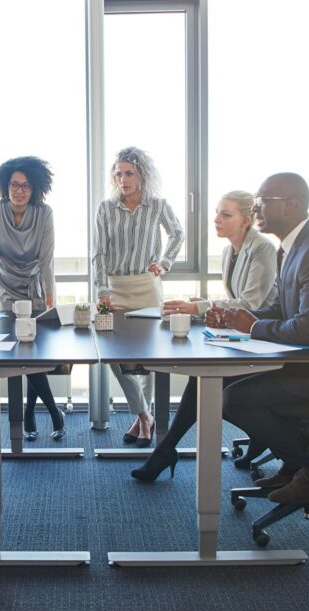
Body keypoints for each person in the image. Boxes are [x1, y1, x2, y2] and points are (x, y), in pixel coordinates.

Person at [211, 173, 309, 505]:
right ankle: (296, 462)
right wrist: (240, 320)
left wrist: (252, 328)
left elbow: (308, 329)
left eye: (262, 202)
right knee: (226, 385)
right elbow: (282, 310)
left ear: (292, 205)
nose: (256, 209)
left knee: (235, 399)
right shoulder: (293, 247)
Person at [131, 190, 278, 480]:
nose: (216, 219)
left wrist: (199, 306)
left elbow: (252, 304)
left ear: (246, 220)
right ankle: (168, 449)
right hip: (246, 336)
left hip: (268, 339)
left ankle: (166, 450)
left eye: (226, 214)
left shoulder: (262, 248)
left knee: (204, 381)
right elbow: (237, 300)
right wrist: (204, 303)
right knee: (201, 379)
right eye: (217, 212)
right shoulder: (229, 251)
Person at [92, 146, 184, 447]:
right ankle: (144, 414)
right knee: (115, 357)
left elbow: (177, 233)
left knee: (149, 357)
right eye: (118, 173)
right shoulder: (106, 208)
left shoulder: (157, 205)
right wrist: (102, 292)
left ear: (142, 174)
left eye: (129, 173)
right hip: (115, 289)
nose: (123, 179)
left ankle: (141, 417)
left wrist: (165, 262)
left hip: (147, 286)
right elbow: (100, 253)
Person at [0, 156, 66, 440]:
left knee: (33, 355)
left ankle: (30, 415)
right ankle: (51, 412)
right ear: (5, 185)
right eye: (14, 184)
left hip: (35, 288)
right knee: (19, 353)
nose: (19, 190)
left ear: (35, 188)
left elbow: (47, 260)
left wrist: (50, 301)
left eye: (26, 185)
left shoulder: (44, 213)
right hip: (6, 290)